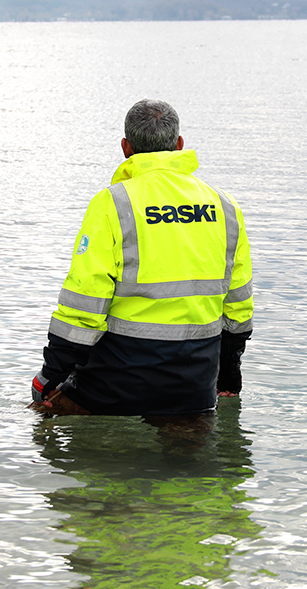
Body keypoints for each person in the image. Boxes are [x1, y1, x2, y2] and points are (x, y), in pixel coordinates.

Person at [31, 99, 253, 418]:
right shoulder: (225, 207)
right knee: (193, 459)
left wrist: (49, 376)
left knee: (42, 416)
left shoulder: (112, 204)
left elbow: (83, 306)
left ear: (126, 148)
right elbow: (238, 306)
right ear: (179, 145)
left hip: (116, 385)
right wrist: (229, 373)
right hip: (195, 385)